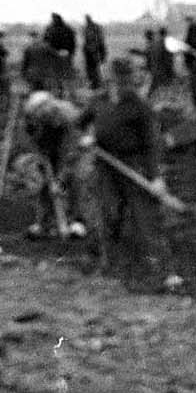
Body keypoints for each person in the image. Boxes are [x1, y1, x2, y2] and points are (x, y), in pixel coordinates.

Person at [81, 57, 174, 284]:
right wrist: (87, 138)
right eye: (117, 79)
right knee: (108, 213)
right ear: (111, 79)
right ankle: (110, 265)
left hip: (134, 166)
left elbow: (152, 143)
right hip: (105, 166)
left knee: (146, 217)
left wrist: (156, 177)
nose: (122, 84)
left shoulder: (139, 106)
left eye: (125, 80)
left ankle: (162, 271)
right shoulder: (98, 100)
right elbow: (79, 123)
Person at [20, 90, 89, 239]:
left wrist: (59, 180)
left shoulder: (68, 116)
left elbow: (69, 154)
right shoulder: (31, 118)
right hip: (49, 148)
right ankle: (44, 222)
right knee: (46, 182)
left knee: (73, 179)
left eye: (41, 115)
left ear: (49, 109)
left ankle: (77, 221)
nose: (37, 118)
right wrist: (43, 159)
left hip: (77, 147)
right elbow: (33, 139)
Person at [81, 16, 108, 90]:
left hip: (97, 52)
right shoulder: (86, 28)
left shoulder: (95, 28)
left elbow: (100, 40)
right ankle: (93, 84)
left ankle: (98, 84)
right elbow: (86, 41)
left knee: (97, 69)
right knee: (90, 70)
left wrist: (99, 53)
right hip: (89, 53)